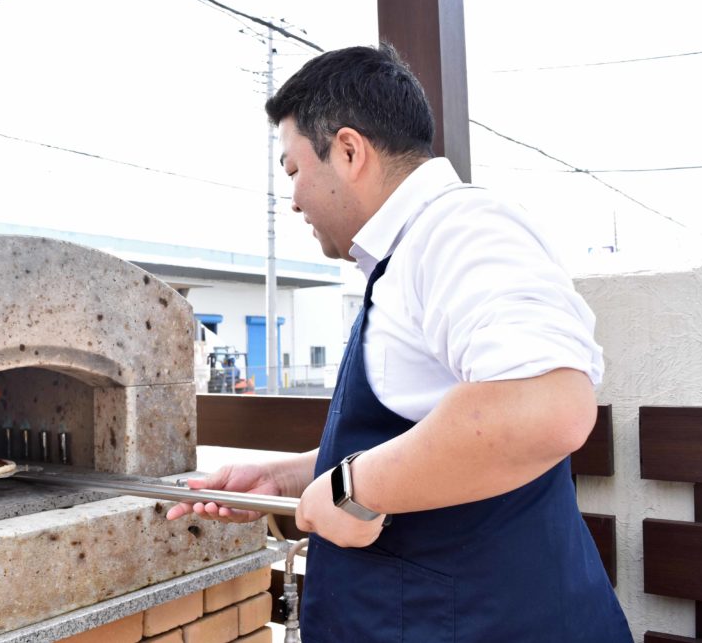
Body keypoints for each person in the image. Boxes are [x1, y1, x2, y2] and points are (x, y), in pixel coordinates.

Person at [167, 44, 632, 642]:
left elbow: (544, 408)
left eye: (294, 170)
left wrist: (349, 489)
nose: (295, 199)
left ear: (349, 150)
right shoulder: (403, 254)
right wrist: (291, 479)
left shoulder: (460, 228)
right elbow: (419, 434)